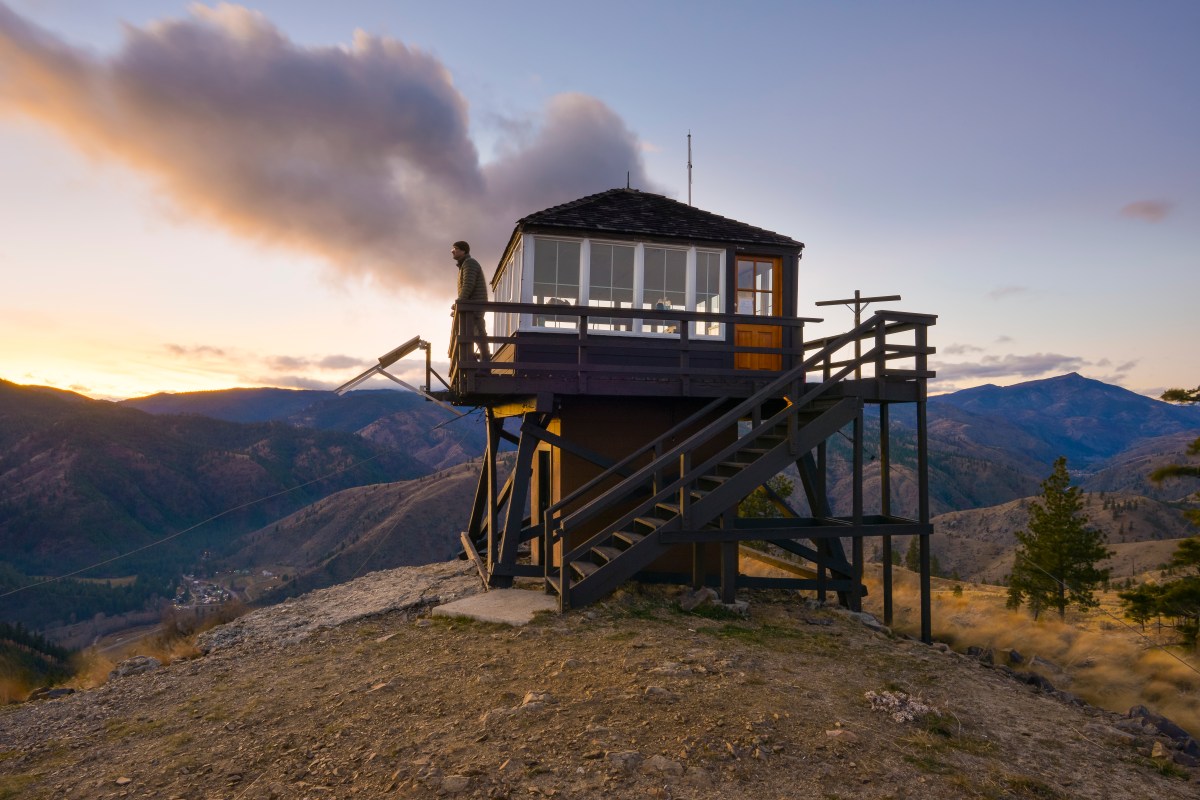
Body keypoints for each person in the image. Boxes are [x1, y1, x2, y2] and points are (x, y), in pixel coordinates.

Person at [451, 240, 489, 361]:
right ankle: (476, 364)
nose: (453, 251)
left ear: (463, 250)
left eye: (455, 248)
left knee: (479, 335)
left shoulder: (469, 263)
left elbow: (468, 285)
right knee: (473, 335)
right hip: (471, 307)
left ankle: (484, 367)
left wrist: (459, 303)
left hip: (474, 308)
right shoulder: (464, 264)